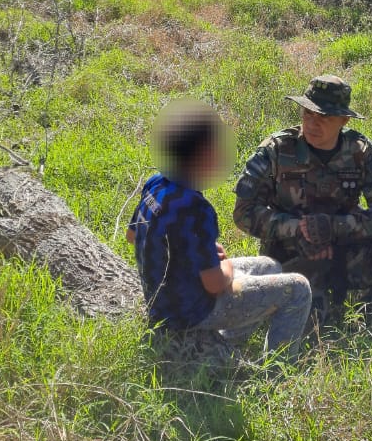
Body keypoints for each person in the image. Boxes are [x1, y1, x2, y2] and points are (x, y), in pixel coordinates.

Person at [127, 99, 312, 363]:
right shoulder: (197, 208)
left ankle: (227, 341)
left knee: (269, 266)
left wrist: (187, 252)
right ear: (204, 156)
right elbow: (215, 284)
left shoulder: (156, 183)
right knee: (298, 288)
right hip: (191, 310)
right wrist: (225, 268)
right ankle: (278, 373)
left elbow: (133, 236)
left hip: (162, 300)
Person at [233, 74, 372, 330]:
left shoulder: (360, 151)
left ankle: (369, 321)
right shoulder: (276, 150)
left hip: (347, 249)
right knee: (315, 328)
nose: (313, 123)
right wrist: (299, 230)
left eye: (324, 117)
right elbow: (244, 212)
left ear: (344, 120)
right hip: (291, 256)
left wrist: (335, 227)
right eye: (308, 114)